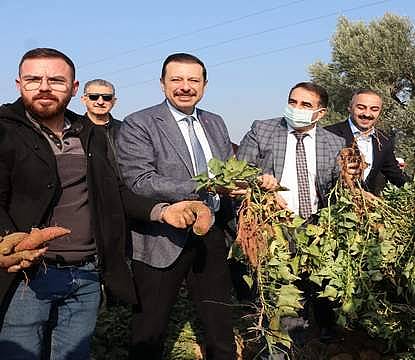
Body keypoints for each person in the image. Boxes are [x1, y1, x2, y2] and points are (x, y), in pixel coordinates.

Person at [0, 48, 210, 360]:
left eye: (56, 80)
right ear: (19, 84)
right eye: (34, 79)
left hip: (85, 275)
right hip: (27, 276)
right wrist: (5, 235)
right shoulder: (4, 130)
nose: (44, 86)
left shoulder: (88, 134)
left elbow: (115, 193)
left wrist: (163, 211)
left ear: (73, 88)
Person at [116, 53, 238, 359]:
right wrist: (204, 186)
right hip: (161, 236)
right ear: (162, 84)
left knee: (219, 323)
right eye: (176, 79)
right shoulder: (139, 123)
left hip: (210, 232)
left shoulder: (215, 122)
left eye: (193, 80)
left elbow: (228, 170)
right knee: (149, 328)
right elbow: (139, 180)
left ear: (205, 85)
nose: (185, 87)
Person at [237, 81, 346, 342]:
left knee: (314, 279)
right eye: (293, 102)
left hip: (314, 223)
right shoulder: (262, 130)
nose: (296, 108)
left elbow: (335, 187)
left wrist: (349, 177)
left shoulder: (334, 142)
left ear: (320, 113)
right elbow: (240, 169)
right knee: (280, 283)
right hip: (272, 223)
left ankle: (318, 328)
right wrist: (260, 180)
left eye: (305, 105)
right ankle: (281, 340)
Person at [325, 89, 406, 195]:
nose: (367, 114)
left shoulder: (384, 140)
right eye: (361, 107)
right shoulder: (328, 134)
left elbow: (395, 175)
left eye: (374, 109)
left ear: (380, 112)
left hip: (365, 207)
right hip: (331, 207)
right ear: (350, 108)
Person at [80, 78, 121, 174]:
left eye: (107, 97)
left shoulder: (126, 130)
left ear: (114, 101)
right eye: (94, 97)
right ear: (84, 99)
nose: (100, 102)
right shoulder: (75, 131)